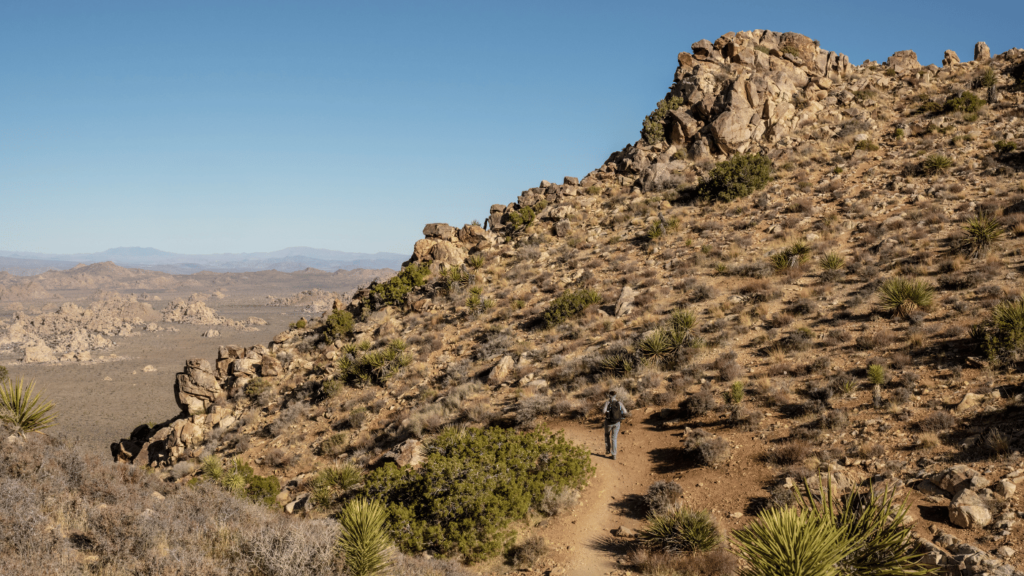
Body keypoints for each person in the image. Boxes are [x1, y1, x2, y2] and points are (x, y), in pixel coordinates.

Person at [602, 391, 628, 460]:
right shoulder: (619, 403)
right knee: (614, 438)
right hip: (617, 423)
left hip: (608, 422)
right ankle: (614, 455)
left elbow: (603, 411)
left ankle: (608, 450)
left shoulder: (607, 403)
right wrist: (620, 413)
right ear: (615, 395)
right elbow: (625, 412)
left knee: (607, 435)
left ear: (609, 396)